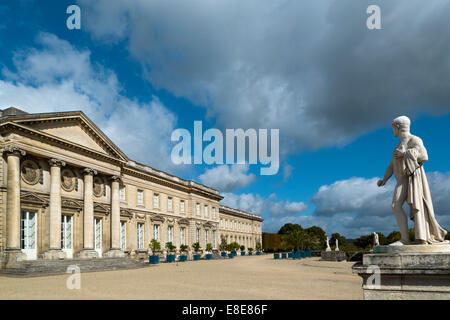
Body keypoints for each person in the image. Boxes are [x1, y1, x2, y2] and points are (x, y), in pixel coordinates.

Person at [377, 116, 447, 245]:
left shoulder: (414, 140)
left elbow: (424, 156)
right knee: (395, 206)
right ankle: (405, 238)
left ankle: (406, 239)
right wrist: (384, 180)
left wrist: (406, 154)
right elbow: (391, 165)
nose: (392, 130)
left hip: (411, 178)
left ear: (397, 127)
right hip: (402, 180)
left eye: (393, 127)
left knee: (396, 205)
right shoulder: (398, 145)